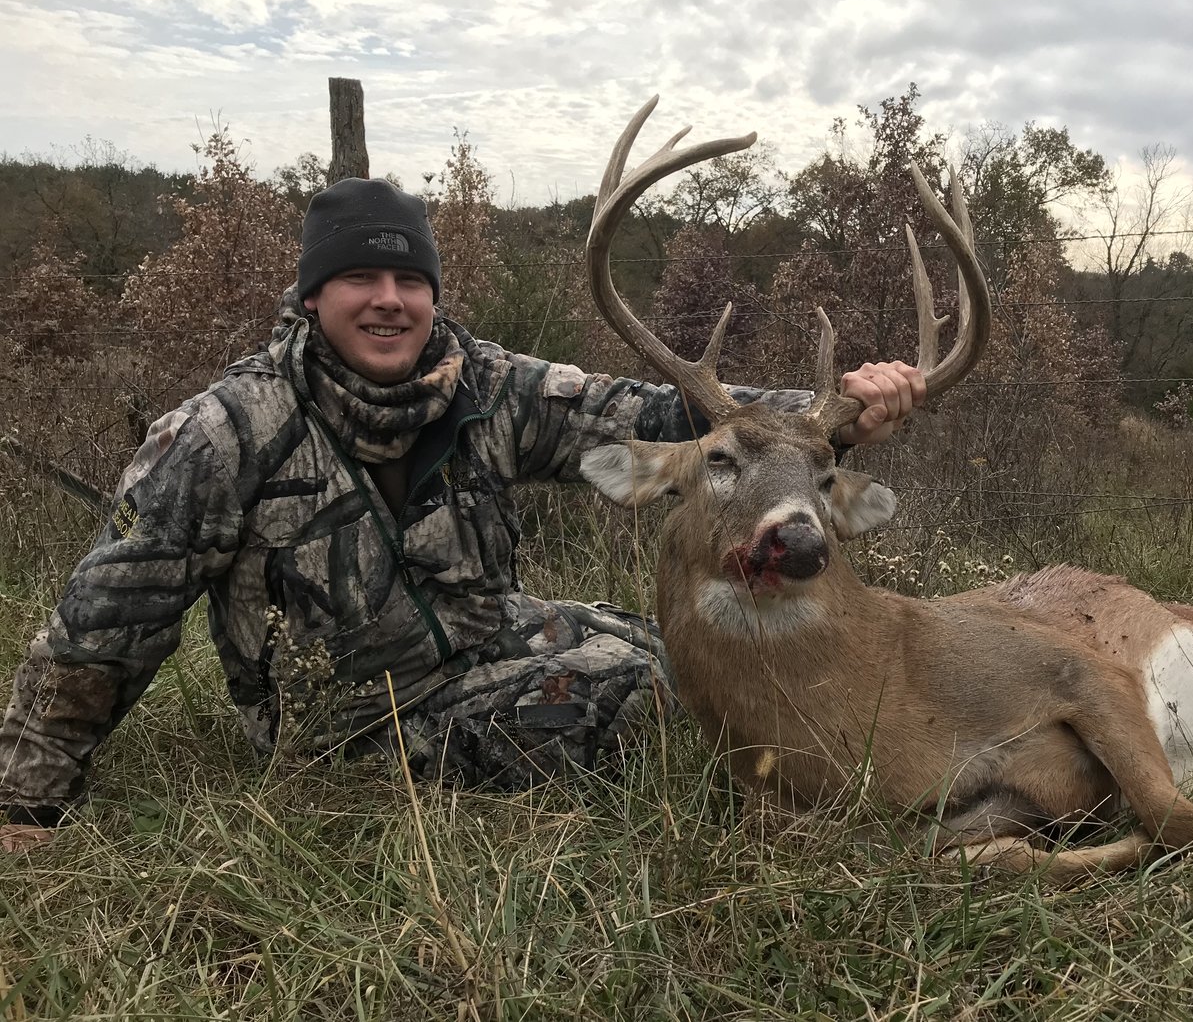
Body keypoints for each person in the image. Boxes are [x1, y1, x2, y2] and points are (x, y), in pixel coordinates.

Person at [0, 178, 925, 851]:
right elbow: (102, 628)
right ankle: (826, 809)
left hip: (482, 634)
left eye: (409, 281)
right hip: (345, 719)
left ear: (433, 293)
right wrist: (27, 804)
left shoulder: (481, 384)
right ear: (313, 294)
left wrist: (830, 410)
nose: (389, 299)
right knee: (645, 697)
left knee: (662, 644)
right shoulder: (223, 434)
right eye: (360, 278)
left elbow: (662, 417)